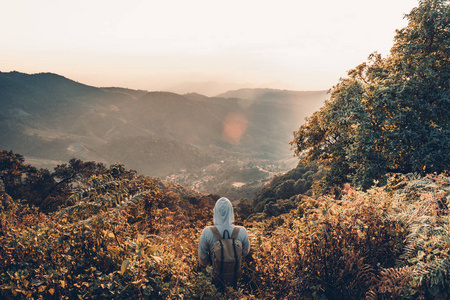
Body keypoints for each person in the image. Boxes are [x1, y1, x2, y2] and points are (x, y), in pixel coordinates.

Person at [198, 197, 250, 288]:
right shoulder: (242, 231)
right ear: (231, 212)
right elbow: (245, 252)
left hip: (214, 278)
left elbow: (202, 259)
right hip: (235, 278)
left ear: (215, 212)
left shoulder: (207, 231)